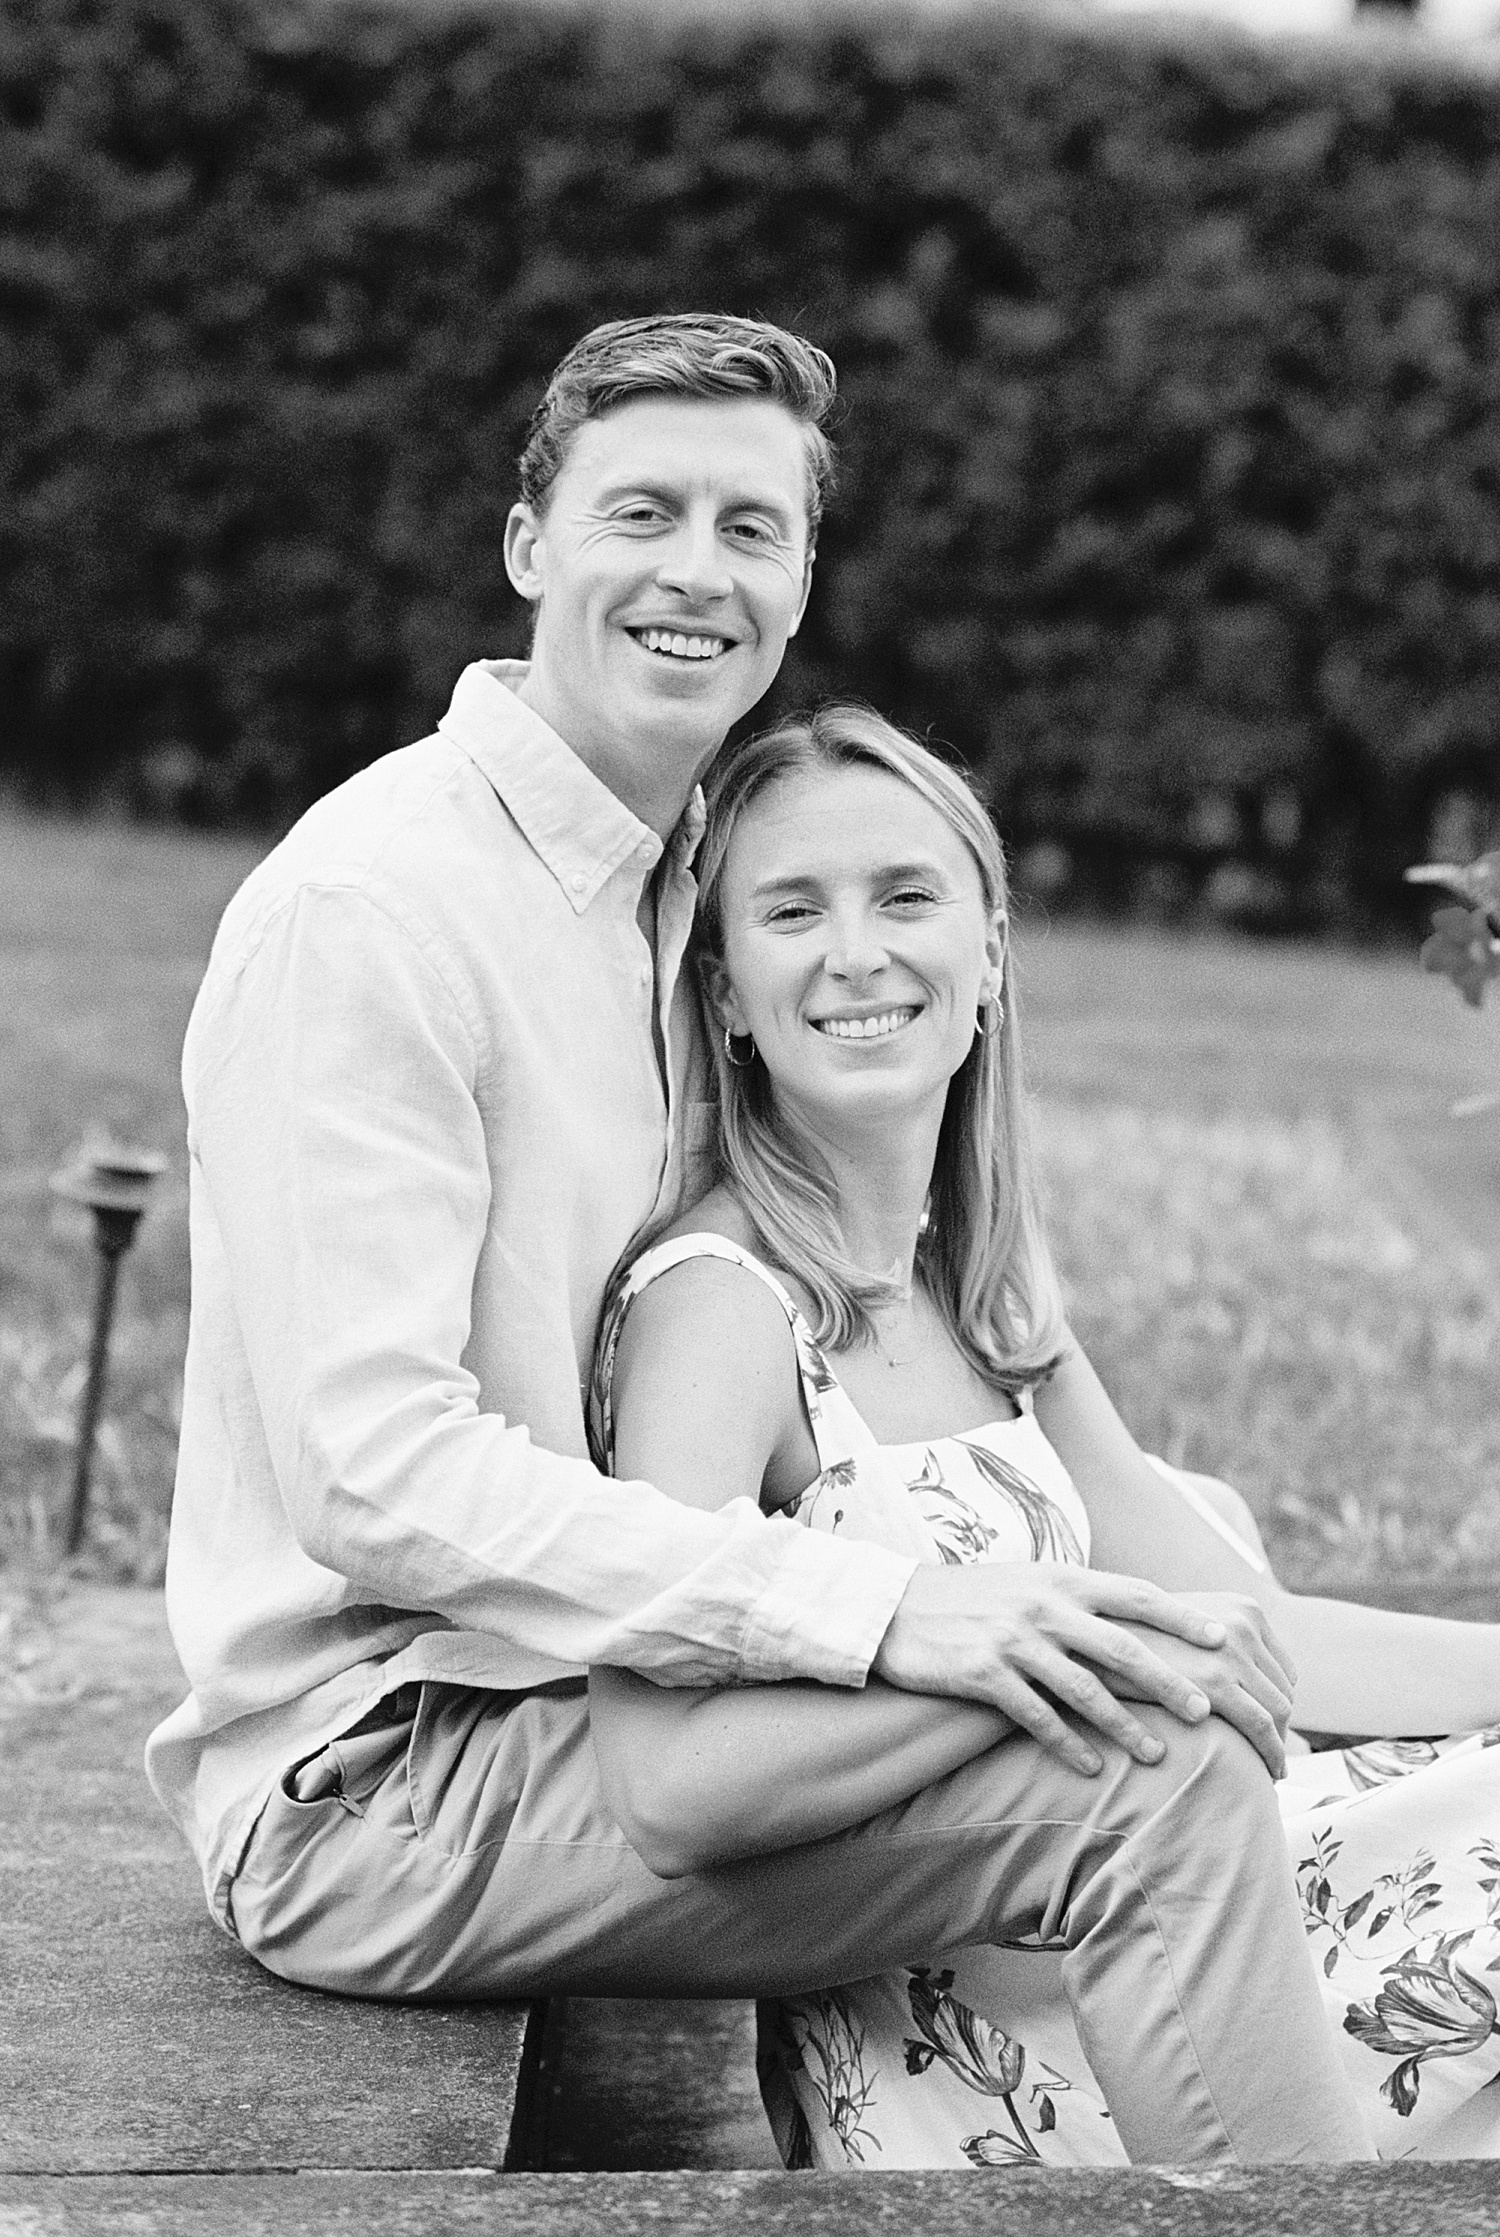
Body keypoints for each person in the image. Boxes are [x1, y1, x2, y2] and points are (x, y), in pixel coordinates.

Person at [148, 311, 1358, 2166]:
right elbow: (373, 1474)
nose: (696, 572)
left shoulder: (669, 880)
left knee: (1184, 1618)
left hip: (627, 1703)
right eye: (644, 510)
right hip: (383, 1775)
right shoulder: (371, 913)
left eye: (753, 527)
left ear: (800, 581)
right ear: (529, 541)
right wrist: (879, 1608)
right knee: (1153, 1771)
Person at [586, 701, 1500, 2169]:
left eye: (905, 896)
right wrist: (1040, 1647)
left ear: (990, 955)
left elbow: (1246, 1620)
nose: (858, 952)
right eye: (793, 910)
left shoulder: (978, 1280)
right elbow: (668, 1786)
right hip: (985, 2036)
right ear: (731, 991)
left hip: (1173, 1908)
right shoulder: (722, 1311)